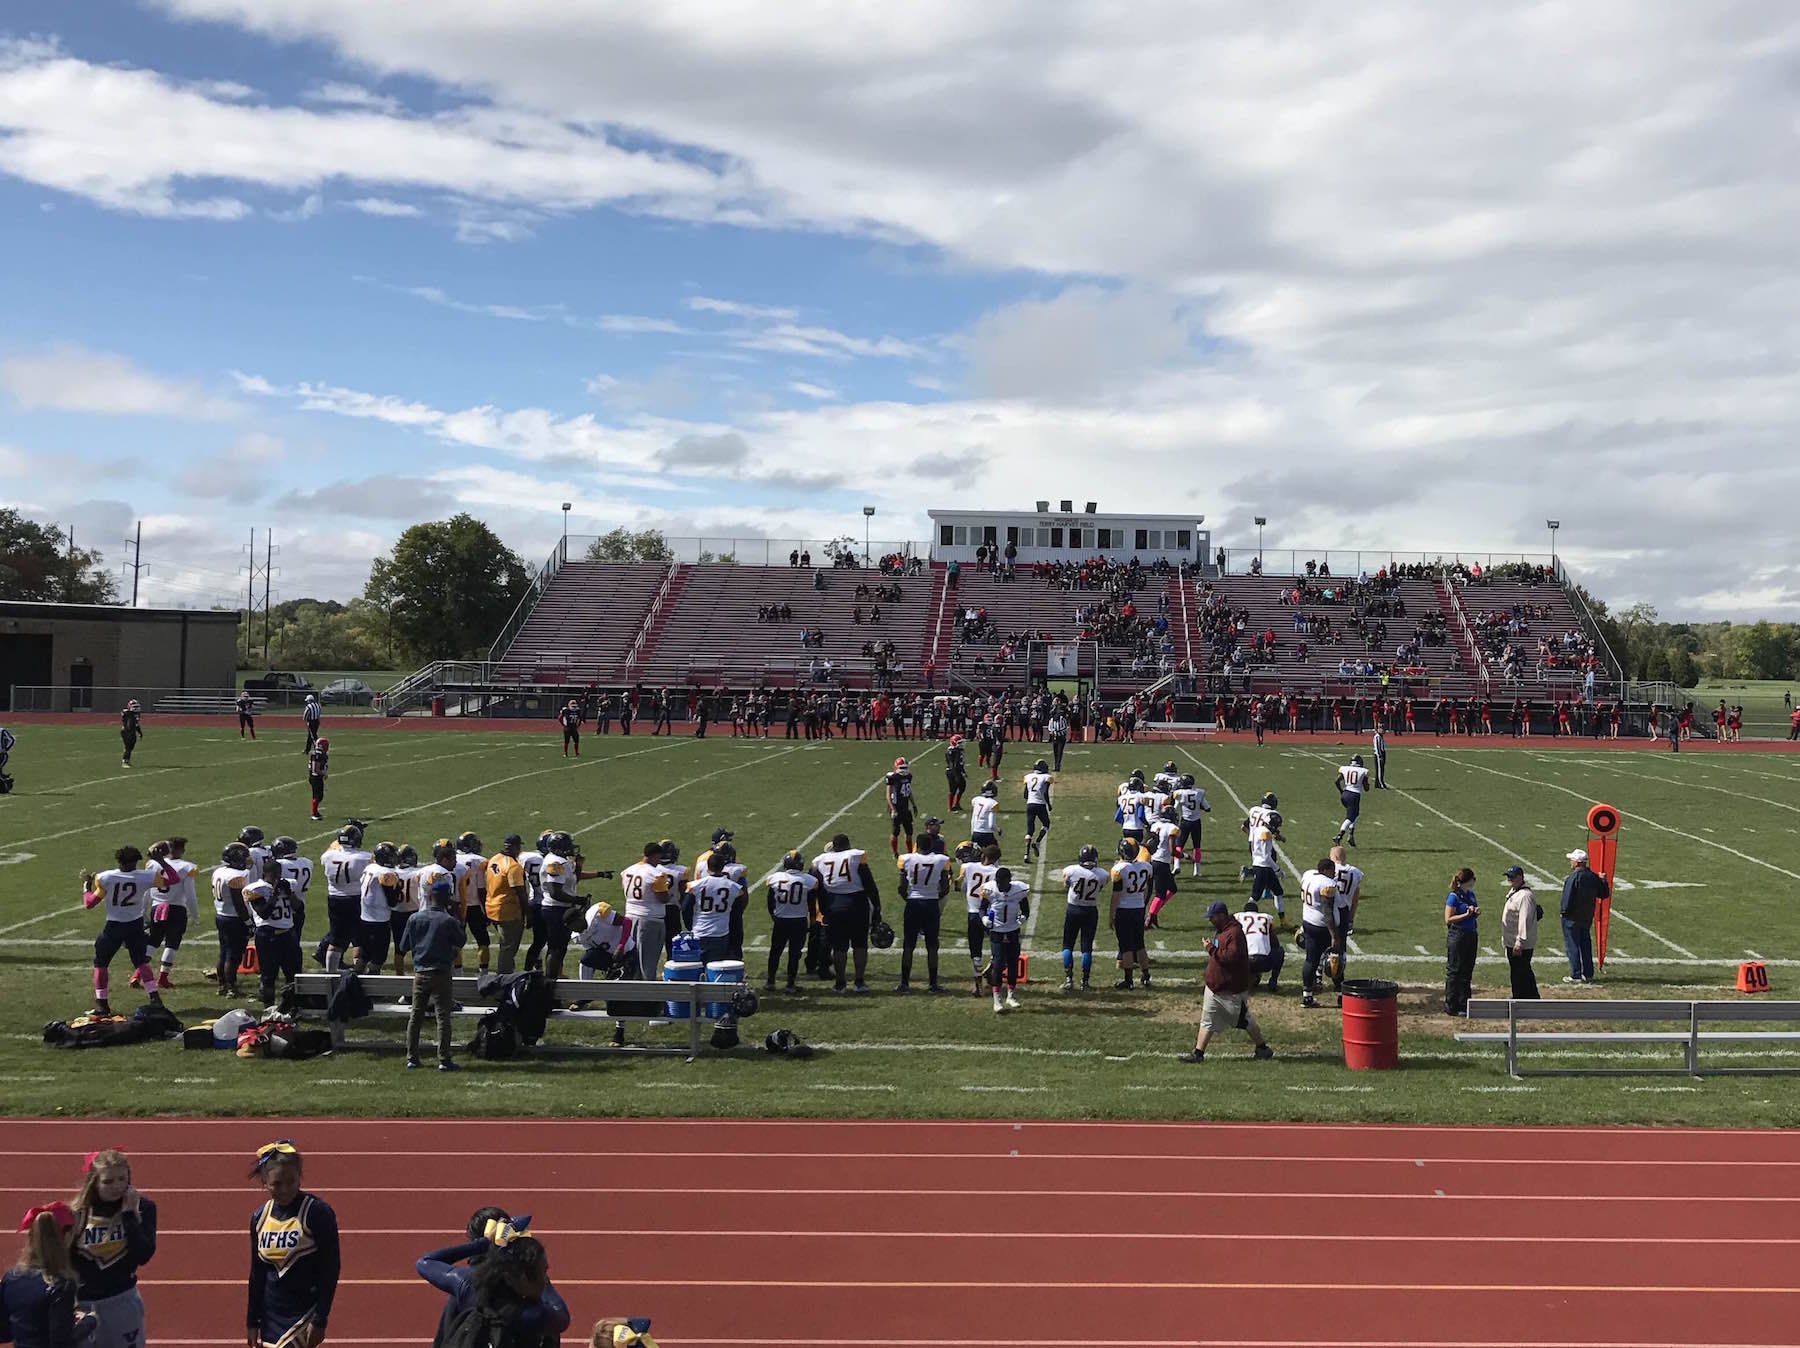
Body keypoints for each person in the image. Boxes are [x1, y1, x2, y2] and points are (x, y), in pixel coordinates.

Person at [414, 1221, 568, 1348]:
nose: (544, 1279)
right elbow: (562, 1316)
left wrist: (485, 1243)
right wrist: (546, 1283)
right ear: (523, 1279)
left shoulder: (469, 1285)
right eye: (543, 1271)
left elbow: (425, 1263)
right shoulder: (534, 1315)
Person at [246, 1141, 339, 1348]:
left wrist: (320, 1318)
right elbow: (257, 1273)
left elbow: (330, 1267)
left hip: (303, 1315)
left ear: (300, 1176)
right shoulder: (260, 1218)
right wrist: (252, 1321)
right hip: (271, 1316)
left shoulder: (316, 1213)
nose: (285, 1189)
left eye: (291, 1181)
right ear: (264, 1181)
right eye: (277, 1184)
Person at [68, 1149, 155, 1348]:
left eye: (122, 1179)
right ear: (94, 1182)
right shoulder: (77, 1213)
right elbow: (64, 1261)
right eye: (108, 1181)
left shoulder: (144, 1207)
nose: (117, 1186)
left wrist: (129, 1215)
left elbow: (143, 1254)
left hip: (121, 1301)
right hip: (83, 1303)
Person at [81, 846, 180, 1017]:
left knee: (101, 963)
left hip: (113, 926)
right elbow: (174, 878)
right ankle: (155, 999)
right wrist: (161, 861)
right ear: (136, 861)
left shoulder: (106, 877)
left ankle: (102, 1005)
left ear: (119, 861)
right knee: (141, 962)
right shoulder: (145, 876)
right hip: (135, 924)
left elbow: (89, 903)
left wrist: (86, 888)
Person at [1178, 901, 1274, 1062]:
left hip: (1230, 989)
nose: (1210, 920)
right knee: (1207, 1020)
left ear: (1222, 916)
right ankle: (1198, 1054)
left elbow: (1230, 958)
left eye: (1212, 917)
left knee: (1244, 1020)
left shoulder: (1234, 934)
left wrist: (1210, 948)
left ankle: (1262, 1048)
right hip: (1215, 987)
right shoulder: (1222, 930)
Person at [400, 878, 466, 1072]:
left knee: (416, 1016)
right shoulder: (448, 920)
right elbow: (461, 940)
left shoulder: (414, 918)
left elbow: (404, 946)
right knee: (442, 1017)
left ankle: (412, 1058)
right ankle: (444, 1059)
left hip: (420, 973)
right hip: (441, 973)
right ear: (446, 898)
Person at [3, 1201, 90, 1348]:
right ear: (67, 1236)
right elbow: (61, 1343)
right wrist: (88, 1323)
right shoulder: (61, 1285)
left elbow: (4, 1332)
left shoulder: (11, 1277)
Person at [811, 833, 881, 994]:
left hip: (834, 904)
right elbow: (869, 884)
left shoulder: (820, 860)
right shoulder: (855, 856)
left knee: (839, 947)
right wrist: (877, 908)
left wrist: (824, 910)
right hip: (856, 903)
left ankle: (840, 983)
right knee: (860, 945)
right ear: (848, 845)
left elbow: (818, 889)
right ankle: (859, 982)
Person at [893, 843, 950, 994]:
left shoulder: (906, 859)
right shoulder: (941, 860)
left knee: (908, 945)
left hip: (913, 903)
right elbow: (945, 887)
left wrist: (909, 898)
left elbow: (901, 887)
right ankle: (933, 984)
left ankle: (904, 983)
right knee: (932, 946)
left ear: (916, 846)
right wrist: (933, 897)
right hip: (931, 904)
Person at [145, 837, 198, 989]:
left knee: (153, 941)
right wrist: (195, 915)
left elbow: (147, 889)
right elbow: (190, 894)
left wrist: (143, 910)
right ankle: (162, 978)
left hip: (157, 907)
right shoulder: (185, 867)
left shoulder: (152, 864)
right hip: (176, 908)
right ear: (180, 849)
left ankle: (138, 974)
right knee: (171, 943)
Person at [763, 852, 817, 993]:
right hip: (799, 920)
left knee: (775, 951)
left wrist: (773, 914)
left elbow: (770, 900)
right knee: (794, 953)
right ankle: (790, 984)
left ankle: (770, 981)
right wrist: (812, 918)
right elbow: (811, 903)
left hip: (781, 920)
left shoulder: (775, 878)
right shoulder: (809, 880)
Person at [1058, 845, 1108, 992]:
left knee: (1068, 945)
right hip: (1090, 911)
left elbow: (1065, 885)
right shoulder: (1102, 874)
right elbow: (1100, 887)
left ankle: (1069, 979)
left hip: (1073, 909)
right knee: (1087, 947)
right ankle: (1085, 981)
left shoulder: (1070, 870)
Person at [979, 866, 1029, 1013]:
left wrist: (1023, 917)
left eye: (1002, 882)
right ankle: (997, 1000)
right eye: (998, 882)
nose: (999, 886)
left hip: (1013, 930)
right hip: (997, 931)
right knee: (998, 964)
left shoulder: (1018, 890)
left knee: (1013, 963)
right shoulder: (990, 889)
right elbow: (982, 908)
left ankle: (1011, 995)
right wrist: (984, 918)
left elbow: (1025, 909)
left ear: (1009, 881)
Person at [1559, 848, 1609, 984]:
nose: (1570, 862)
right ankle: (1588, 973)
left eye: (1572, 860)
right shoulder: (1593, 877)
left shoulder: (1574, 878)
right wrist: (1603, 881)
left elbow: (1567, 898)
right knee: (1585, 946)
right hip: (1586, 917)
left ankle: (1575, 974)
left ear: (1577, 862)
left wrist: (1563, 912)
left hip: (1572, 918)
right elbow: (1604, 894)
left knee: (1572, 946)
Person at [1108, 839, 1153, 990]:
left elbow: (1116, 896)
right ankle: (1146, 976)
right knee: (1140, 944)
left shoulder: (1119, 870)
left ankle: (1128, 980)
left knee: (1126, 946)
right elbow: (1147, 889)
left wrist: (1111, 915)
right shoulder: (1146, 866)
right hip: (1139, 908)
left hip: (1124, 909)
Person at [484, 836, 529, 976]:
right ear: (515, 847)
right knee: (508, 948)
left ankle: (506, 972)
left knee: (505, 945)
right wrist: (528, 913)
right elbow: (519, 892)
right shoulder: (513, 866)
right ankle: (503, 976)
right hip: (507, 911)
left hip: (491, 907)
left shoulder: (494, 859)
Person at [1296, 858, 1338, 1010]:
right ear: (1326, 870)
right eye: (1332, 870)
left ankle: (1307, 996)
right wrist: (1334, 935)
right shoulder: (1328, 884)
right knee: (1336, 957)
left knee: (1310, 960)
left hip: (1308, 921)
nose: (1334, 873)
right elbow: (1328, 912)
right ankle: (1341, 993)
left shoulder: (1308, 875)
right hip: (1322, 926)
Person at [1500, 865, 1540, 999]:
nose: (1509, 879)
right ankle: (1524, 997)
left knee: (1521, 973)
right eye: (1508, 876)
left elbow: (1524, 920)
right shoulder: (1515, 892)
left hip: (1519, 944)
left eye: (1512, 877)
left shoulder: (1524, 896)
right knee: (1518, 972)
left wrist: (1520, 942)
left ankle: (1525, 998)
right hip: (1512, 941)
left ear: (1521, 877)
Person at [1444, 867, 1480, 1015]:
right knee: (1455, 970)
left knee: (1467, 970)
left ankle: (1464, 1003)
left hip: (1471, 934)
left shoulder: (1470, 895)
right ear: (1467, 881)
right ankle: (1451, 1005)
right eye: (1473, 879)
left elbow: (1472, 912)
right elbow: (1448, 919)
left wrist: (1475, 913)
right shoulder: (1454, 896)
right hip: (1458, 935)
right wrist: (1466, 914)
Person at [1236, 898, 1283, 993]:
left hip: (1244, 963)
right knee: (1280, 951)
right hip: (1264, 962)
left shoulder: (1239, 917)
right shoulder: (1266, 918)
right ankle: (1273, 981)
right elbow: (1275, 943)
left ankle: (1236, 980)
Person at [1020, 759, 1053, 863]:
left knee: (1029, 830)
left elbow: (1025, 794)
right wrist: (1049, 804)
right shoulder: (1046, 777)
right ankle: (1037, 842)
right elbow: (1045, 793)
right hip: (1040, 804)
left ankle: (1026, 854)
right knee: (1046, 824)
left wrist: (1031, 797)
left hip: (1030, 804)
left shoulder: (1028, 777)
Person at [1332, 755, 1369, 847]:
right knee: (1350, 817)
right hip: (1354, 796)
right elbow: (1366, 788)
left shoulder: (1345, 769)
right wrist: (1365, 782)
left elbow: (1336, 781)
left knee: (1355, 814)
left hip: (1345, 794)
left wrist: (1341, 791)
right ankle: (1339, 836)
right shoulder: (1363, 771)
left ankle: (1351, 835)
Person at [885, 757, 916, 859]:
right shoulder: (892, 778)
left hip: (905, 807)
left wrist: (913, 804)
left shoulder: (909, 776)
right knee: (895, 832)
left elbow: (908, 791)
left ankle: (910, 852)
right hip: (896, 807)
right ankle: (894, 852)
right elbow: (888, 795)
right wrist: (893, 809)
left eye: (905, 767)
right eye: (901, 767)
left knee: (909, 832)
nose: (904, 770)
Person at [305, 738, 329, 822]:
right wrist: (323, 774)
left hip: (316, 777)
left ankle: (315, 812)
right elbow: (315, 769)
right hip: (316, 777)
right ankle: (314, 813)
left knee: (318, 796)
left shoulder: (319, 753)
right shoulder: (318, 754)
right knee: (318, 796)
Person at [118, 701, 143, 768]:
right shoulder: (128, 713)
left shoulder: (135, 714)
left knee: (130, 747)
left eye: (137, 707)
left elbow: (136, 724)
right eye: (135, 707)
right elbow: (128, 723)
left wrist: (139, 732)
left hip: (132, 731)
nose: (136, 708)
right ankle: (124, 761)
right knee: (128, 747)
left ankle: (127, 760)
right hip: (126, 732)